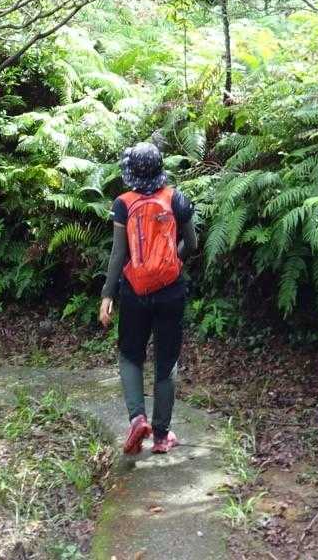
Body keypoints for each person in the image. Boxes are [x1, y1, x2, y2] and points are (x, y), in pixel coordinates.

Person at [98, 141, 197, 455]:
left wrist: (107, 294)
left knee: (130, 356)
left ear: (130, 173)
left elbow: (118, 253)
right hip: (171, 291)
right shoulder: (176, 199)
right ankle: (162, 436)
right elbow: (192, 243)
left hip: (134, 292)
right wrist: (174, 260)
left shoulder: (123, 204)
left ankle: (137, 417)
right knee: (166, 363)